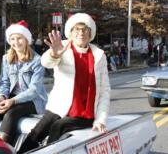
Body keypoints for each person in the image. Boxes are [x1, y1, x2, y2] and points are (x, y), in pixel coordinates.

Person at [18, 13, 111, 153]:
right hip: (59, 107)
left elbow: (105, 90)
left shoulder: (99, 55)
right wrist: (54, 54)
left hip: (84, 114)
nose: (81, 33)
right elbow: (46, 62)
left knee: (58, 127)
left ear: (90, 33)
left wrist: (101, 119)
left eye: (85, 30)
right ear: (71, 32)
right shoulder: (63, 47)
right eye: (77, 29)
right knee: (37, 133)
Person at [0, 20, 48, 146]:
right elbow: (4, 82)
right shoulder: (6, 58)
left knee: (11, 114)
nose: (16, 42)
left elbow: (34, 90)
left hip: (34, 100)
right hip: (11, 97)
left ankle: (1, 147)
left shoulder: (37, 60)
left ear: (26, 40)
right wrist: (1, 97)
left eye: (19, 38)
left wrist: (12, 101)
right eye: (12, 39)